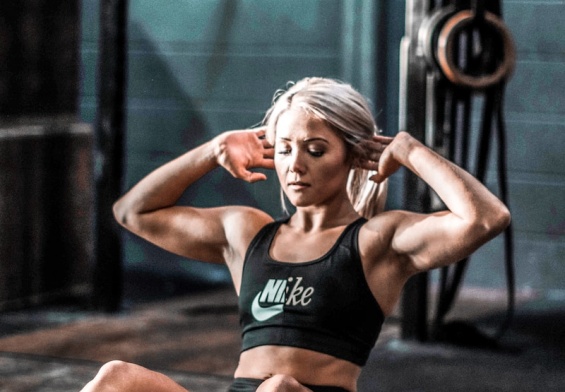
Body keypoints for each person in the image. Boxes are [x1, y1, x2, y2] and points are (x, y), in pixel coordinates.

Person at [80, 77, 510, 392]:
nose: (294, 166)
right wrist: (211, 152)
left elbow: (486, 218)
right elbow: (132, 212)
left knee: (279, 388)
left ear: (353, 156)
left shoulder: (377, 241)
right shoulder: (247, 233)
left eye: (315, 150)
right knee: (117, 377)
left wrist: (412, 152)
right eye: (284, 149)